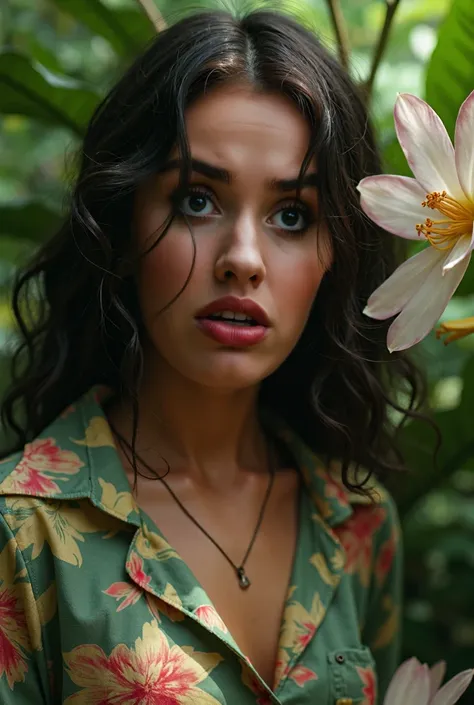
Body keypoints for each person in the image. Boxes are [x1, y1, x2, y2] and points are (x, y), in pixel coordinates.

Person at [0, 9, 423, 704]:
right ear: (124, 224)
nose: (243, 261)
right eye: (197, 200)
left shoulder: (358, 520)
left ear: (333, 257)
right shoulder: (23, 529)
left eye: (293, 215)